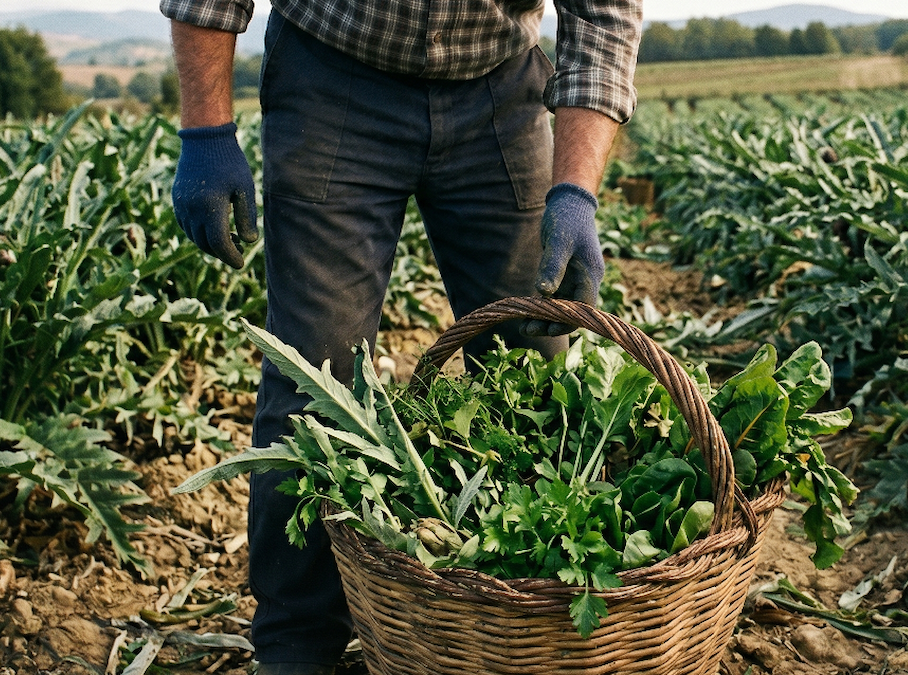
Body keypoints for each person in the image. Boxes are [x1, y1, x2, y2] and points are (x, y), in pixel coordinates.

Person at [159, 0, 641, 672]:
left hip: (500, 87)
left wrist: (576, 190)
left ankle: (530, 623)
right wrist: (205, 130)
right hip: (333, 82)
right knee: (314, 382)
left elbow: (604, 12)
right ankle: (297, 641)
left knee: (531, 375)